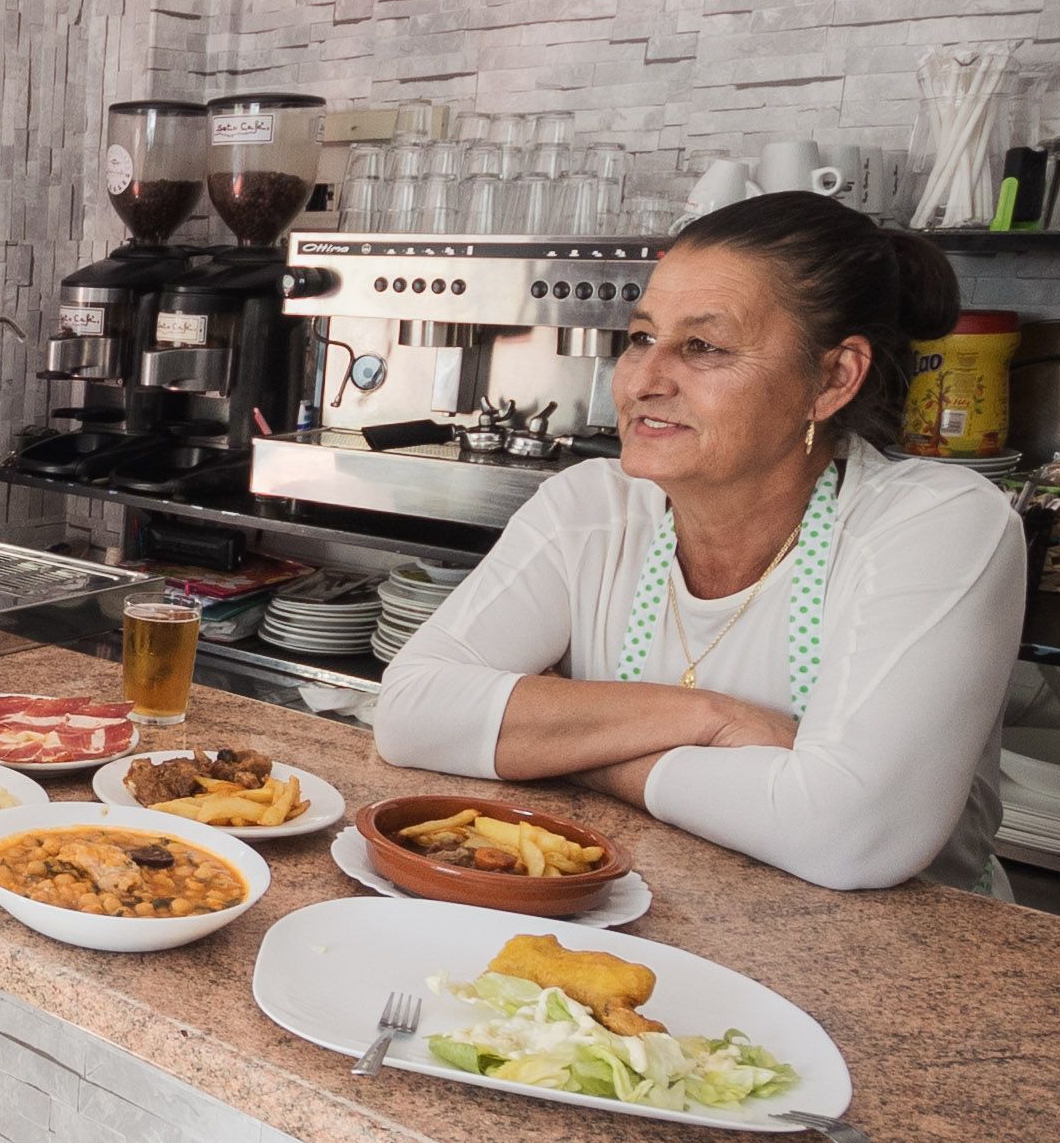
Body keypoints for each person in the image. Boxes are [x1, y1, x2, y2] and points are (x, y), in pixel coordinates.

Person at [376, 191, 1025, 892]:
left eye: (704, 348)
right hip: (639, 904)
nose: (643, 381)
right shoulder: (591, 506)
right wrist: (711, 719)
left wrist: (560, 742)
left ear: (833, 378)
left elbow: (848, 835)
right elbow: (410, 713)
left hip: (903, 946)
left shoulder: (936, 523)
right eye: (641, 338)